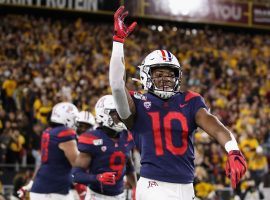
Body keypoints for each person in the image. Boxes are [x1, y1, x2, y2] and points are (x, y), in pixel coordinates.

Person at [109, 6, 247, 200]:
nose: (165, 78)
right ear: (145, 76)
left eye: (169, 74)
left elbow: (215, 127)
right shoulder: (137, 102)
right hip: (154, 186)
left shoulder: (190, 100)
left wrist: (233, 149)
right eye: (158, 74)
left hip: (187, 186)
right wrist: (118, 42)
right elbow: (116, 85)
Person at [72, 95, 137, 200]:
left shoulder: (127, 136)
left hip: (121, 195)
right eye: (116, 113)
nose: (121, 117)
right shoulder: (91, 138)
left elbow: (129, 166)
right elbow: (75, 175)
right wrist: (98, 178)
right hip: (97, 196)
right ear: (103, 114)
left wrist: (135, 189)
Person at [21, 102, 79, 200]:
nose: (76, 122)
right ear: (67, 118)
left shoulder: (48, 132)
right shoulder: (65, 133)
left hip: (40, 189)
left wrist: (31, 183)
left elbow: (43, 164)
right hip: (53, 191)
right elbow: (77, 162)